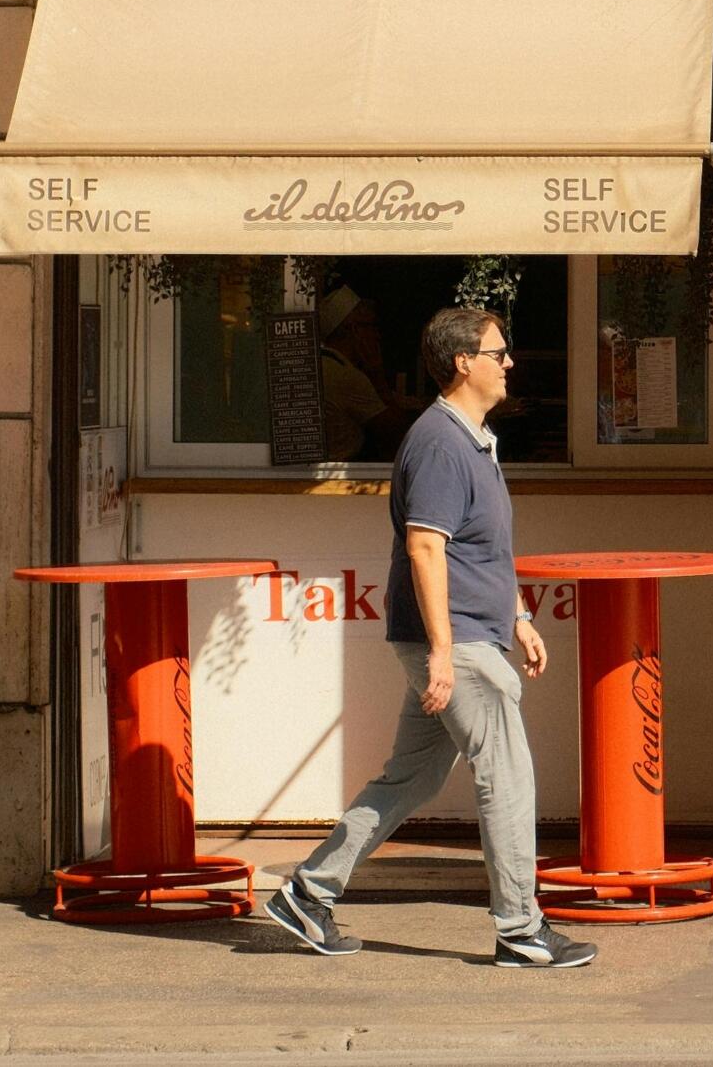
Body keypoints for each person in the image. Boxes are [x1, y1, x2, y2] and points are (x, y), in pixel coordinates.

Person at [265, 305, 596, 970]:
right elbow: (425, 549)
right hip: (458, 644)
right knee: (507, 777)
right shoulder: (442, 441)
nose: (509, 362)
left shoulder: (469, 437)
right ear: (461, 363)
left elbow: (480, 550)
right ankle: (521, 929)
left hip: (468, 634)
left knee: (409, 780)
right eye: (498, 352)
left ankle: (309, 892)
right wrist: (445, 650)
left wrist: (520, 615)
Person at [317, 286, 414, 462]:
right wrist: (377, 372)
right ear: (355, 329)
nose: (377, 335)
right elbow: (397, 433)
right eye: (372, 326)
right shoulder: (345, 375)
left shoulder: (324, 365)